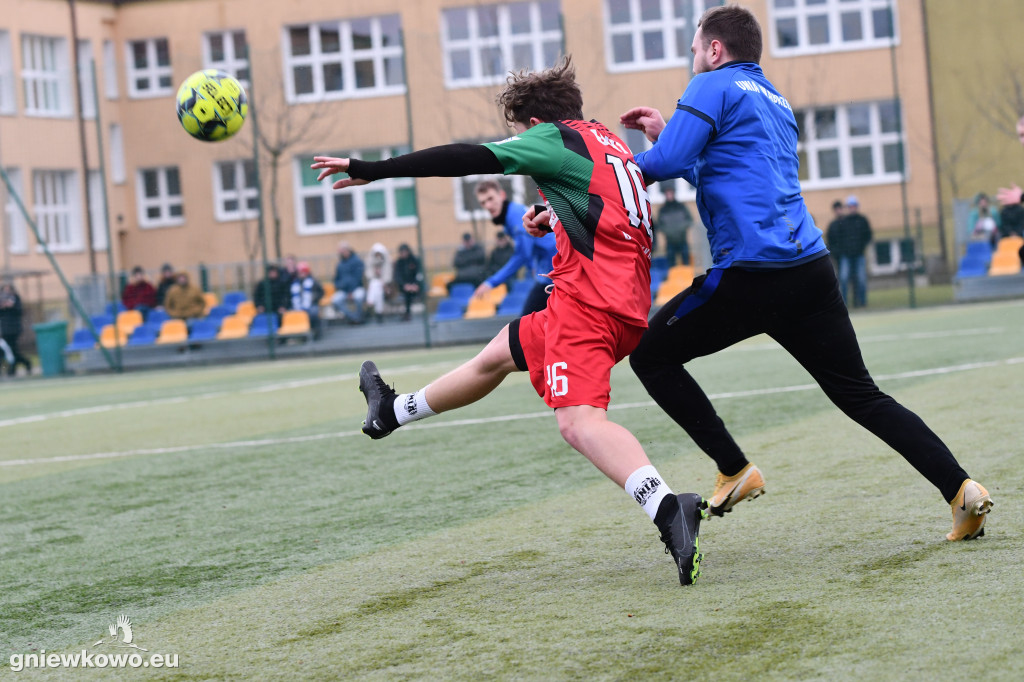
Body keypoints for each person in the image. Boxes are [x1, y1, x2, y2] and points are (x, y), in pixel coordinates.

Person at [312, 56, 709, 586]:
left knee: (579, 423)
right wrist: (555, 215)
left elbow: (468, 157)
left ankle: (668, 510)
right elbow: (612, 206)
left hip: (588, 308)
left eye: (518, 133)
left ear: (534, 125)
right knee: (500, 353)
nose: (519, 144)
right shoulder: (607, 142)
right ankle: (392, 411)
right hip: (625, 307)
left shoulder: (551, 138)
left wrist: (375, 169)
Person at [620, 4, 991, 542]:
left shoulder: (709, 83)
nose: (694, 55)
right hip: (810, 270)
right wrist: (669, 137)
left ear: (715, 50)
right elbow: (722, 167)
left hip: (753, 273)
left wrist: (593, 177)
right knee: (863, 396)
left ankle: (734, 467)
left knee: (650, 355)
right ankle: (962, 490)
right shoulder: (775, 100)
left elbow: (663, 165)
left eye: (696, 46)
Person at [472, 178, 557, 315]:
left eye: (490, 199)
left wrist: (491, 282)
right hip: (548, 275)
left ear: (502, 195)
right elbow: (533, 248)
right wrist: (533, 267)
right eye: (483, 202)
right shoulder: (510, 218)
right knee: (535, 324)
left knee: (526, 324)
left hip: (557, 274)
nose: (488, 205)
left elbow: (522, 255)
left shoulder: (515, 215)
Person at [827, 195, 873, 307]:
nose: (852, 208)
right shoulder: (843, 222)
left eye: (854, 206)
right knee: (844, 278)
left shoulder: (862, 220)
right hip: (846, 255)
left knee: (861, 279)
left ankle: (862, 302)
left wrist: (861, 247)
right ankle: (844, 303)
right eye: (850, 206)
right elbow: (837, 239)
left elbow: (868, 235)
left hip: (859, 255)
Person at [655, 186, 693, 266]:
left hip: (682, 239)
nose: (669, 195)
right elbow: (660, 225)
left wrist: (682, 228)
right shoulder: (663, 210)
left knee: (686, 262)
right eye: (667, 194)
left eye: (670, 193)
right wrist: (668, 231)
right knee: (671, 263)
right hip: (670, 241)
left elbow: (689, 220)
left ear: (673, 194)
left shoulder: (681, 207)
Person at [0, 281, 31, 376]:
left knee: (12, 350)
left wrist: (10, 307)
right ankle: (20, 366)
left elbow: (19, 311)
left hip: (14, 329)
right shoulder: (2, 300)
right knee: (10, 350)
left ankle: (16, 368)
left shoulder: (16, 299)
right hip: (5, 330)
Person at [331, 241, 366, 325]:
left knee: (358, 297)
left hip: (356, 288)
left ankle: (359, 317)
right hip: (344, 290)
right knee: (335, 301)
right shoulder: (340, 264)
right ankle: (353, 317)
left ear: (348, 250)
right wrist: (340, 287)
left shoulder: (357, 261)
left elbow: (357, 278)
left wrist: (350, 291)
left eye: (343, 251)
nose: (342, 253)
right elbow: (336, 279)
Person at [290, 261, 325, 339]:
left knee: (313, 313)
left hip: (311, 304)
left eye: (303, 272)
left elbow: (321, 292)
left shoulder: (313, 281)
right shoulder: (295, 283)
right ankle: (299, 335)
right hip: (298, 305)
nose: (301, 274)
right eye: (300, 272)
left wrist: (313, 297)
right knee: (290, 313)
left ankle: (316, 332)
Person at [393, 243, 423, 321]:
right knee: (407, 294)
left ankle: (423, 314)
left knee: (421, 290)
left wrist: (416, 284)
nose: (403, 254)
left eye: (405, 251)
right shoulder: (399, 263)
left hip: (415, 286)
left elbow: (419, 273)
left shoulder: (415, 260)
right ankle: (407, 313)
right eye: (401, 252)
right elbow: (397, 276)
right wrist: (405, 285)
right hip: (404, 287)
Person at [364, 243, 393, 324]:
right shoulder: (370, 262)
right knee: (376, 286)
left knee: (376, 285)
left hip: (386, 287)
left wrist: (383, 281)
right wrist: (375, 273)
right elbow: (369, 275)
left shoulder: (387, 262)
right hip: (374, 285)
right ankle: (379, 313)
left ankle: (370, 303)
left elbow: (388, 275)